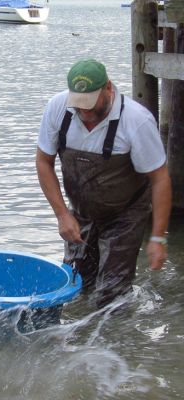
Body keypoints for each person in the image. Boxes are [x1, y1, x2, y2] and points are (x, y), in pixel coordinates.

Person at [36, 58, 172, 309]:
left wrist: (158, 238)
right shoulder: (57, 108)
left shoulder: (137, 121)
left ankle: (114, 342)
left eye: (90, 105)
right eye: (79, 106)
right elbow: (44, 162)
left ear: (108, 88)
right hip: (81, 211)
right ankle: (76, 338)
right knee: (75, 284)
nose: (85, 113)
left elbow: (160, 179)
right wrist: (62, 215)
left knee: (111, 296)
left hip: (125, 214)